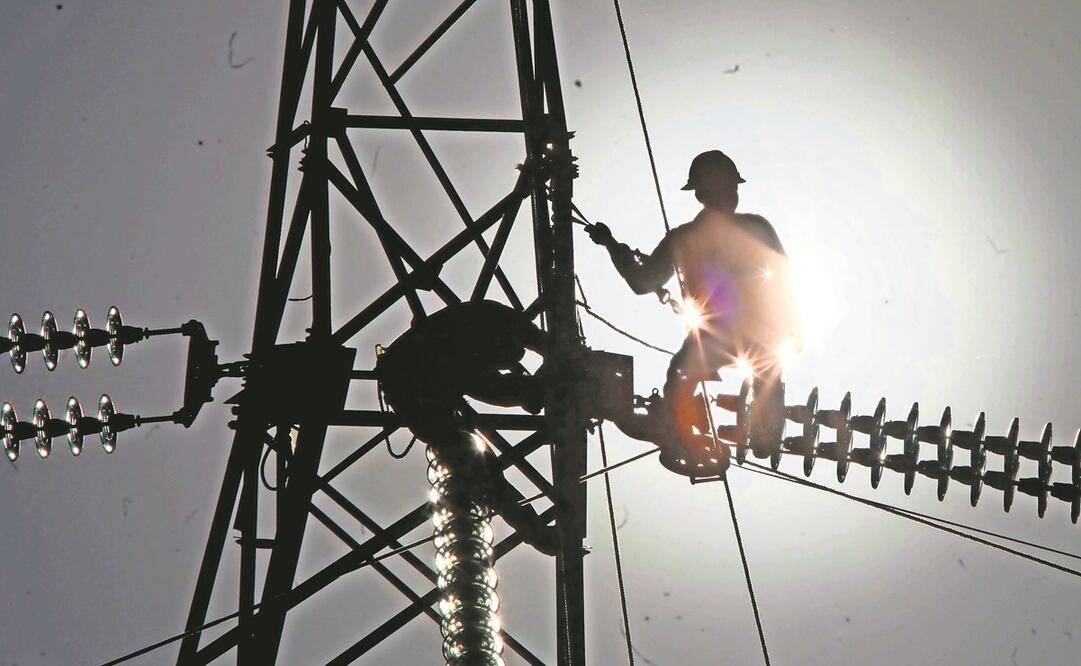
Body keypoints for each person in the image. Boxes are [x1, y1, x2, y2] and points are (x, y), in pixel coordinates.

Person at [587, 150, 801, 459]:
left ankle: (683, 429)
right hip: (751, 335)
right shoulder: (751, 228)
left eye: (732, 188)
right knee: (693, 375)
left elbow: (643, 281)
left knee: (683, 375)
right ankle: (745, 425)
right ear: (704, 193)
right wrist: (611, 245)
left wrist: (610, 245)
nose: (731, 194)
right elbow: (644, 281)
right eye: (727, 187)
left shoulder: (688, 237)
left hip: (723, 337)